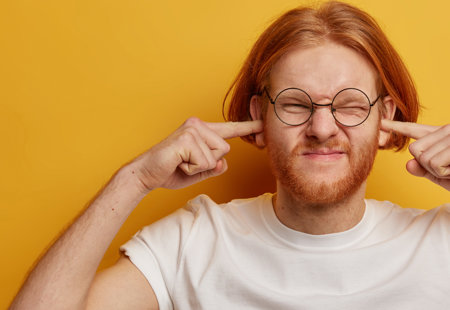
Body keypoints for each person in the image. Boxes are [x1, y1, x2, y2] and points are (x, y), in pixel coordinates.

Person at [10, 1, 450, 309]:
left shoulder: (440, 243)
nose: (321, 128)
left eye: (350, 104)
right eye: (296, 104)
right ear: (259, 118)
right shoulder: (193, 243)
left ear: (383, 121)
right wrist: (134, 179)